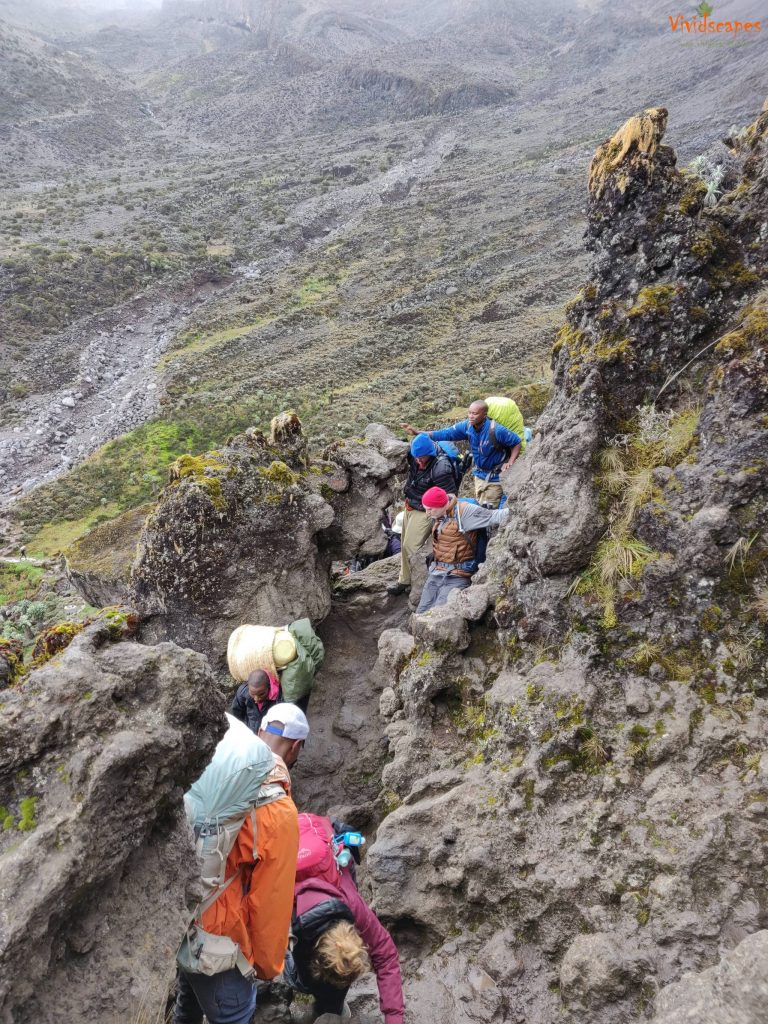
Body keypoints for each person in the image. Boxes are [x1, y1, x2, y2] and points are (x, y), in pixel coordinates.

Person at [173, 706, 309, 1024]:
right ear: (297, 747)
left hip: (177, 907)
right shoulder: (279, 811)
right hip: (216, 934)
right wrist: (264, 967)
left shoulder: (225, 759)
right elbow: (269, 904)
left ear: (260, 731)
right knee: (237, 1012)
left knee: (188, 1000)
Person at [286, 815, 405, 1024]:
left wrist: (394, 1018)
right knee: (300, 980)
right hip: (286, 850)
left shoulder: (352, 904)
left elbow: (386, 955)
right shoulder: (282, 907)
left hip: (324, 852)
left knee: (329, 985)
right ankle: (318, 993)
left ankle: (329, 1005)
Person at [401, 399, 521, 509]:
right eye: (469, 413)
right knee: (481, 504)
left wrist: (510, 462)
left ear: (484, 414)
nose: (471, 416)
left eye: (475, 413)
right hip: (479, 474)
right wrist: (418, 432)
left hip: (494, 476)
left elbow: (516, 442)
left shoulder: (496, 430)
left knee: (489, 509)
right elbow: (444, 433)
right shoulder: (467, 426)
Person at [415, 486, 509, 613]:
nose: (427, 513)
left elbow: (497, 516)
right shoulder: (438, 515)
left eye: (430, 509)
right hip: (436, 572)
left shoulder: (464, 512)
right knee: (421, 612)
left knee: (438, 614)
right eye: (426, 509)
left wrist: (522, 505)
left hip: (458, 575)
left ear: (441, 504)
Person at [386, 433, 457, 596]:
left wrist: (442, 520)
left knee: (411, 547)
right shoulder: (415, 455)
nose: (418, 461)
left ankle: (422, 583)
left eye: (422, 458)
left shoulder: (441, 468)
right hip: (410, 504)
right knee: (403, 544)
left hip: (425, 510)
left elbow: (451, 495)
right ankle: (404, 580)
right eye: (416, 457)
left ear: (430, 454)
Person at [231, 668, 281, 735]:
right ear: (248, 686)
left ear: (268, 687)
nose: (257, 699)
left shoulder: (279, 698)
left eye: (261, 694)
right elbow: (236, 714)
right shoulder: (242, 693)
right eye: (252, 694)